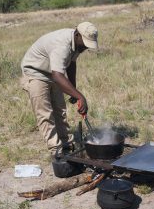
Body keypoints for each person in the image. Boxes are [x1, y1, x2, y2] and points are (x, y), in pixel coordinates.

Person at [20, 21, 98, 158]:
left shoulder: (76, 43)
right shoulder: (62, 45)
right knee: (46, 114)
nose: (86, 48)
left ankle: (67, 144)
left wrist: (73, 89)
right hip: (35, 72)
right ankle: (56, 151)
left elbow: (71, 64)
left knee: (60, 111)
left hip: (53, 72)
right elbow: (58, 75)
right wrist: (80, 96)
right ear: (78, 35)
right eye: (85, 44)